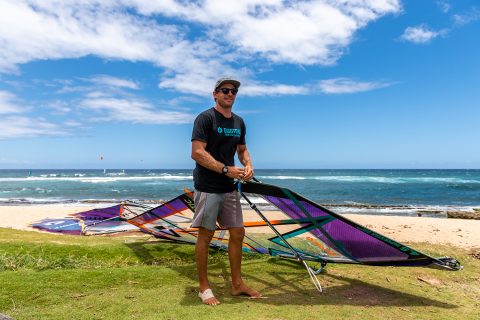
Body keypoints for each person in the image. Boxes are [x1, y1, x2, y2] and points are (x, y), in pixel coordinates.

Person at [191, 77, 261, 305]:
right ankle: (204, 288)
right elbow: (197, 152)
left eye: (233, 91)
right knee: (206, 235)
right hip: (208, 187)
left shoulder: (239, 122)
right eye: (225, 90)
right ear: (215, 94)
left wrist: (248, 164)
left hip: (230, 187)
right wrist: (224, 169)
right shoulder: (205, 118)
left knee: (238, 232)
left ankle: (237, 284)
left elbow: (242, 150)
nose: (230, 94)